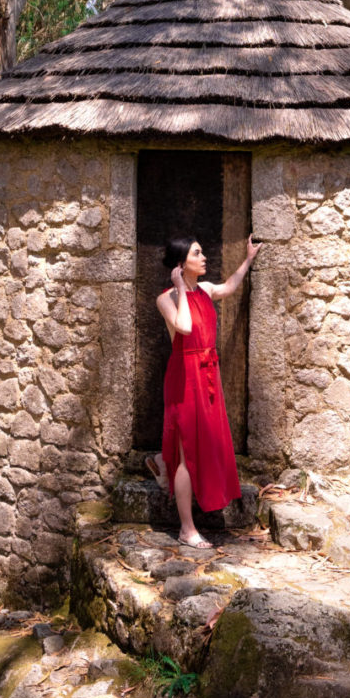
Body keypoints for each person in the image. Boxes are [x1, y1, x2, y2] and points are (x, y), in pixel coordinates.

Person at [146, 234, 259, 548]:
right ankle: (187, 529)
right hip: (185, 377)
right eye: (198, 253)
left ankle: (159, 460)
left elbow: (230, 287)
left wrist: (248, 259)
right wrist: (181, 289)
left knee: (202, 443)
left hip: (208, 374)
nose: (205, 257)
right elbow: (183, 327)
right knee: (186, 454)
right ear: (183, 264)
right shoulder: (166, 298)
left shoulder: (207, 290)